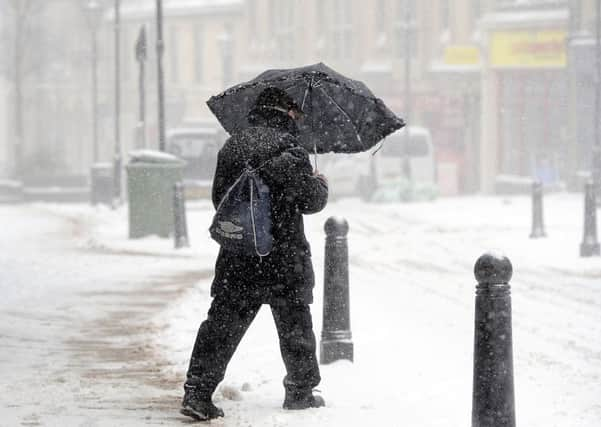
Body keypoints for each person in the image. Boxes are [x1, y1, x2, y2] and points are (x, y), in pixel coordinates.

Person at [180, 87, 329, 421]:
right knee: (294, 324)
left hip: (240, 254)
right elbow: (310, 202)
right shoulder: (291, 150)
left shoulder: (233, 146)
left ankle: (198, 391)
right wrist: (320, 184)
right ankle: (300, 391)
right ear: (286, 113)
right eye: (295, 113)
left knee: (222, 323)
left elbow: (221, 200)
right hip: (283, 254)